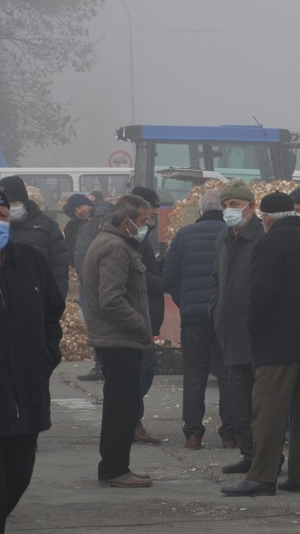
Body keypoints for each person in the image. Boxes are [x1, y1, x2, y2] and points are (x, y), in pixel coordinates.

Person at [222, 192, 300, 497]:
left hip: (278, 345)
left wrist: (254, 330)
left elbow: (261, 295)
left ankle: (262, 477)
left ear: (266, 218)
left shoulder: (268, 243)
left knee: (268, 412)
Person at [0, 180, 64, 533]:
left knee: (17, 481)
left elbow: (52, 314)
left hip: (26, 403)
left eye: (1, 215)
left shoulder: (30, 262)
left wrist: (45, 356)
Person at [82, 194, 154, 488]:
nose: (147, 225)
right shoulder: (115, 247)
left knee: (121, 406)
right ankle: (114, 468)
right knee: (121, 409)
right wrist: (141, 327)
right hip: (120, 340)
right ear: (127, 222)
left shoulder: (111, 242)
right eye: (143, 220)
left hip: (117, 339)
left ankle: (115, 466)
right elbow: (112, 299)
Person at [162, 189, 234, 450]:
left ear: (201, 210)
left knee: (194, 376)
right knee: (228, 375)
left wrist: (186, 302)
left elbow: (169, 276)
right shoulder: (232, 233)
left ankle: (193, 434)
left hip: (193, 318)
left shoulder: (183, 235)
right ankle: (229, 435)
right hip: (226, 318)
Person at [210, 180, 265, 474]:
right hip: (229, 331)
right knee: (238, 400)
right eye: (225, 206)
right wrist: (215, 311)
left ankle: (266, 456)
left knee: (262, 403)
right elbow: (216, 279)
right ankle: (248, 453)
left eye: (234, 205)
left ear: (250, 207)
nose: (229, 211)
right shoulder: (223, 238)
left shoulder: (262, 237)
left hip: (256, 333)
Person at [128, 186, 165, 446]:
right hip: (135, 316)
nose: (151, 220)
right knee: (141, 369)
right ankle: (130, 421)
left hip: (146, 315)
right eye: (149, 215)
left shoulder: (143, 238)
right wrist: (164, 280)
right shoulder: (127, 240)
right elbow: (136, 275)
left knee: (144, 369)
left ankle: (131, 420)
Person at [0, 175, 69, 299]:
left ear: (23, 201)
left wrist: (55, 303)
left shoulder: (47, 227)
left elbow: (60, 270)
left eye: (13, 201)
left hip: (37, 303)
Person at [74, 191, 116, 382]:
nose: (78, 212)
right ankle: (101, 365)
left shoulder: (100, 218)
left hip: (96, 281)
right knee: (93, 323)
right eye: (73, 211)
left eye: (79, 207)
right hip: (87, 279)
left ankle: (103, 366)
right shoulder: (88, 221)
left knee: (98, 322)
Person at [62, 193, 94, 268]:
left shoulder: (99, 221)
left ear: (88, 204)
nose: (79, 211)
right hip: (81, 267)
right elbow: (68, 246)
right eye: (75, 211)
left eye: (80, 206)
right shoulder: (71, 226)